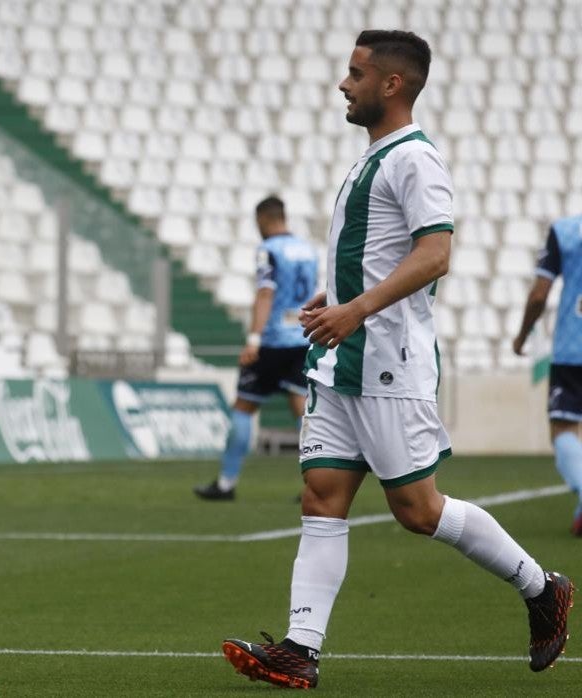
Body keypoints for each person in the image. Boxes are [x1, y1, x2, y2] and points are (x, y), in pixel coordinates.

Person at [221, 31, 573, 689]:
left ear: (392, 84)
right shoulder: (374, 156)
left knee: (419, 510)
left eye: (355, 73)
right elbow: (382, 250)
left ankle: (540, 587)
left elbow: (435, 252)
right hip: (339, 360)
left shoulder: (415, 159)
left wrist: (356, 309)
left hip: (386, 360)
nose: (342, 84)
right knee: (321, 496)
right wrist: (340, 293)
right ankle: (301, 649)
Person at [195, 196, 318, 500]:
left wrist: (253, 339)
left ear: (263, 219)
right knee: (303, 408)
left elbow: (265, 293)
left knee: (244, 405)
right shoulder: (308, 250)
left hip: (273, 339)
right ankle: (316, 485)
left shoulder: (269, 250)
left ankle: (225, 483)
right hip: (302, 338)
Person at [512, 214, 582, 535]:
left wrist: (523, 335)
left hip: (573, 347)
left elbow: (540, 294)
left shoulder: (566, 231)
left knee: (564, 429)